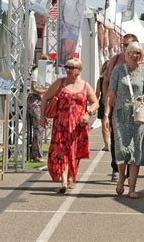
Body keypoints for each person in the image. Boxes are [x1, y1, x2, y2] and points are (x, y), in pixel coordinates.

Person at [42, 58, 99, 193]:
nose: (68, 70)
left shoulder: (85, 85)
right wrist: (41, 116)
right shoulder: (60, 83)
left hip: (78, 125)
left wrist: (88, 113)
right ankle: (64, 181)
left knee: (74, 152)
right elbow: (45, 97)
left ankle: (70, 177)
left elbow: (96, 103)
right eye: (67, 67)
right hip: (60, 125)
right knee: (61, 152)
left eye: (71, 68)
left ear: (78, 70)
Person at [104, 42, 144, 199]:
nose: (135, 55)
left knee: (136, 149)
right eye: (132, 52)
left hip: (138, 116)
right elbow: (110, 93)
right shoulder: (118, 70)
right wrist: (106, 114)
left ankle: (132, 188)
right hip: (121, 114)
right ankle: (120, 179)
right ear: (127, 54)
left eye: (138, 53)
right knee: (122, 149)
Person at [28, 54, 50, 162]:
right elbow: (34, 87)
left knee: (41, 128)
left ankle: (36, 153)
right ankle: (36, 155)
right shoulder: (37, 72)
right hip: (34, 101)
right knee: (38, 127)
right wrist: (46, 91)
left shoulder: (42, 73)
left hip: (40, 100)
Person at [95, 61, 110, 151]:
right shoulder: (100, 80)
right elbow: (97, 94)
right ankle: (106, 144)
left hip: (113, 104)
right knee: (104, 125)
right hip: (103, 104)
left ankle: (111, 142)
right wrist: (93, 104)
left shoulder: (115, 79)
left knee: (111, 125)